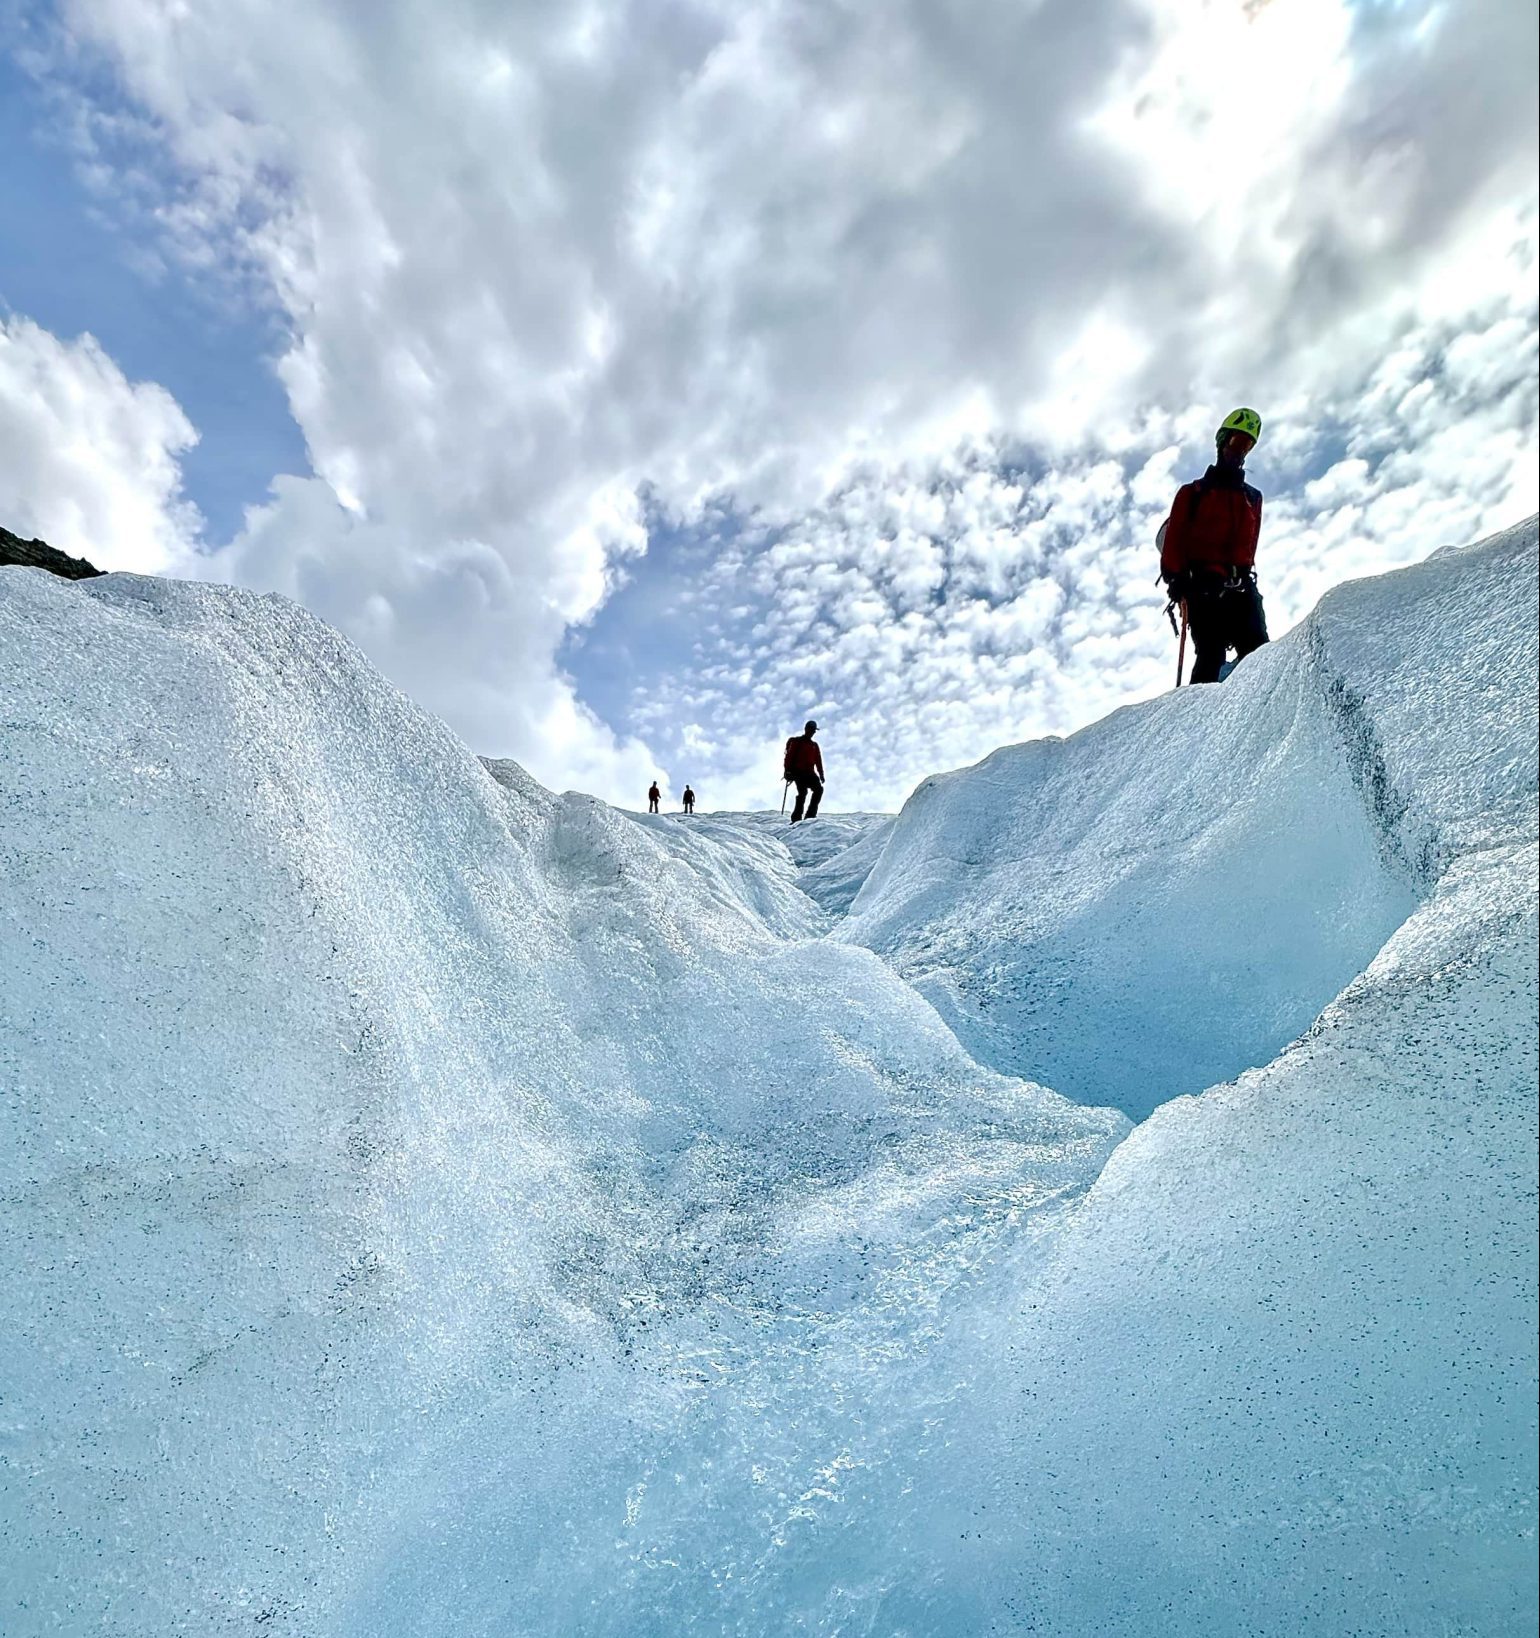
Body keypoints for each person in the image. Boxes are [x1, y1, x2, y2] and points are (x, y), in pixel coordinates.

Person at [1160, 408, 1269, 685]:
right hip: (1202, 589)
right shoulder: (1192, 493)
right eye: (1236, 442)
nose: (1239, 451)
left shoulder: (1253, 498)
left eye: (1246, 445)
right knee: (1210, 656)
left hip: (1241, 587)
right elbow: (1174, 541)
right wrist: (1177, 580)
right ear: (1222, 442)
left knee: (1260, 654)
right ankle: (1196, 720)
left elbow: (1250, 548)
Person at [783, 720, 824, 823]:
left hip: (809, 773)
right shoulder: (797, 742)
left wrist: (821, 774)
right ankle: (797, 818)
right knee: (803, 793)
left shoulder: (814, 745)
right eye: (811, 730)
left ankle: (810, 816)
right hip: (798, 772)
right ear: (806, 729)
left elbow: (818, 760)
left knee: (818, 790)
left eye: (814, 730)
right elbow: (789, 757)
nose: (812, 732)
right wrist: (787, 771)